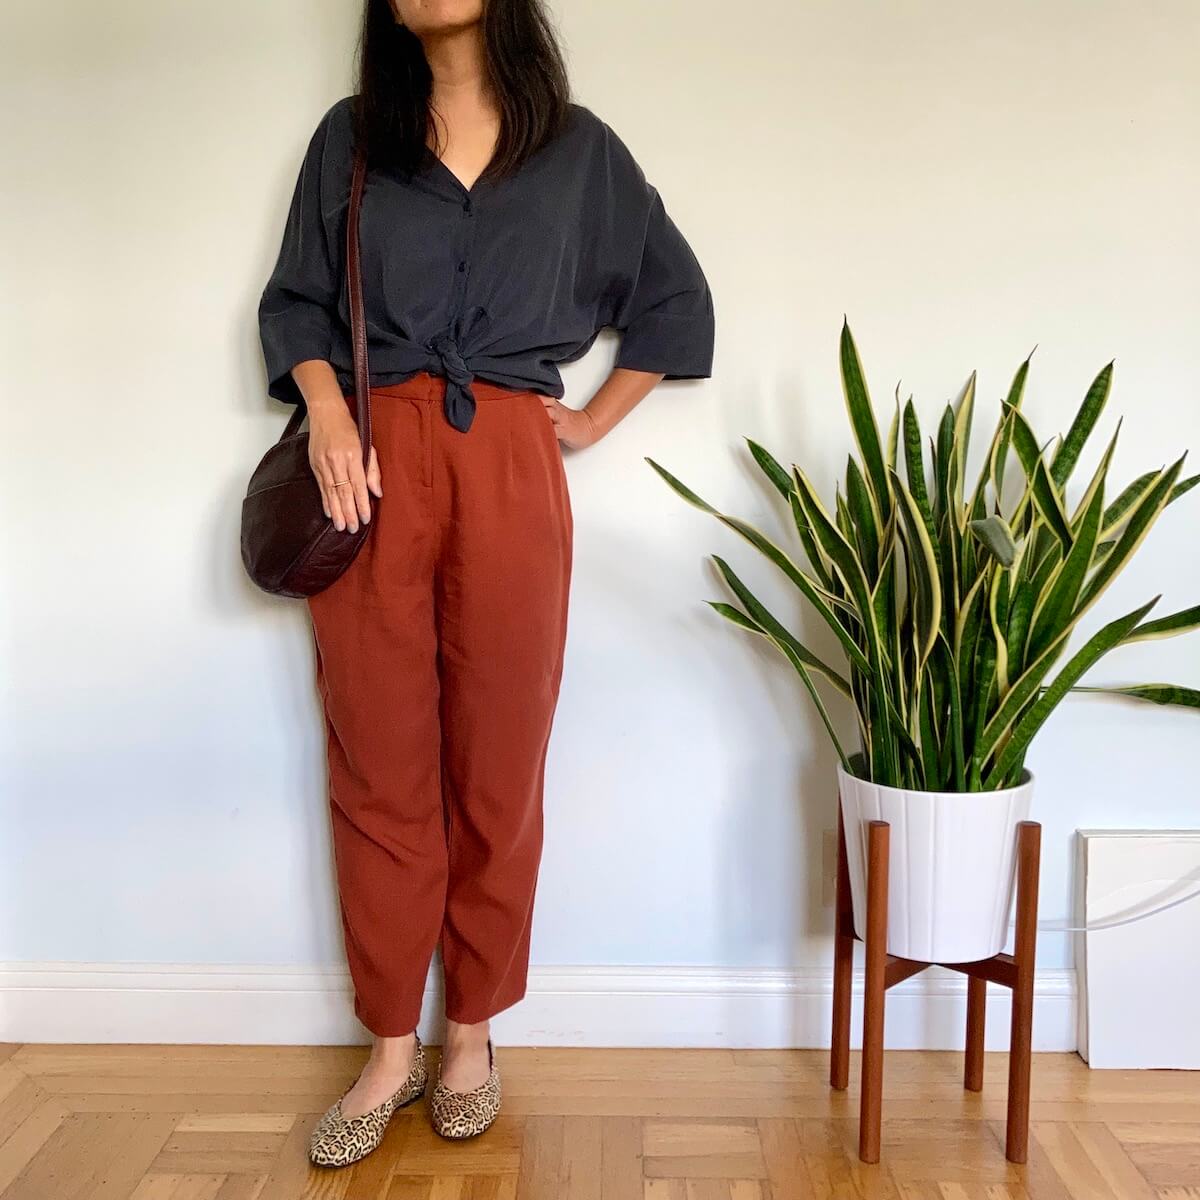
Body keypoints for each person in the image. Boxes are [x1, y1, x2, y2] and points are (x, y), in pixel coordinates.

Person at [256, 0, 714, 1168]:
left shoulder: (579, 151)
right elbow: (297, 302)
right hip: (369, 465)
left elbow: (676, 302)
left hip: (510, 461)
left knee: (499, 763)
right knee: (378, 759)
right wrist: (325, 410)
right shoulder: (353, 138)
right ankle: (388, 1046)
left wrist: (586, 424)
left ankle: (471, 1032)